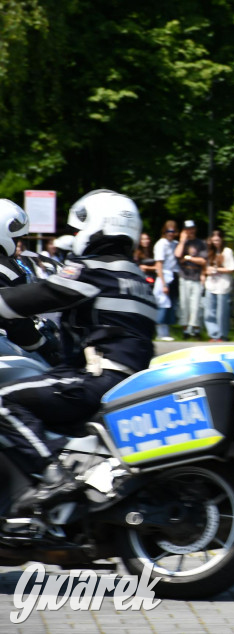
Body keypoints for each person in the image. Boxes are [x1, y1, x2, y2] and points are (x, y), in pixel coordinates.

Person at [0, 190, 157, 516]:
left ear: (100, 225)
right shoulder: (136, 277)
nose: (75, 235)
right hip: (123, 380)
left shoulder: (95, 269)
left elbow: (44, 294)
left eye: (79, 228)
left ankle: (54, 476)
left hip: (94, 378)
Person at [0, 201, 55, 359]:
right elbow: (16, 323)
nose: (17, 242)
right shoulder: (7, 268)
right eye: (16, 237)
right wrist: (45, 346)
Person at [174, 219, 207, 339]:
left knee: (196, 305)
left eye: (192, 229)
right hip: (184, 277)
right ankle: (185, 331)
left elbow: (203, 260)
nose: (190, 231)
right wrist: (182, 241)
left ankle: (195, 329)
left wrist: (188, 258)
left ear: (195, 229)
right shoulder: (182, 243)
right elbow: (177, 255)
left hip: (196, 277)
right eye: (188, 229)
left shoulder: (201, 243)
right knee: (184, 305)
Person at [203, 229, 234, 342]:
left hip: (223, 286)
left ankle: (222, 335)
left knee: (221, 313)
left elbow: (232, 268)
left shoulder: (227, 251)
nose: (216, 242)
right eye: (214, 240)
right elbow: (206, 268)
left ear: (222, 240)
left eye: (218, 240)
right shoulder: (210, 252)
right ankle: (213, 334)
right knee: (209, 312)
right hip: (211, 285)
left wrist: (217, 269)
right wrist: (208, 271)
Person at [153, 220, 179, 341]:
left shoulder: (174, 244)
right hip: (164, 277)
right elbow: (159, 264)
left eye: (173, 231)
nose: (170, 233)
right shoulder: (161, 244)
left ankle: (166, 332)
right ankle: (160, 333)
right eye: (168, 231)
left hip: (173, 277)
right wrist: (163, 284)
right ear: (164, 231)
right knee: (162, 304)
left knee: (170, 305)